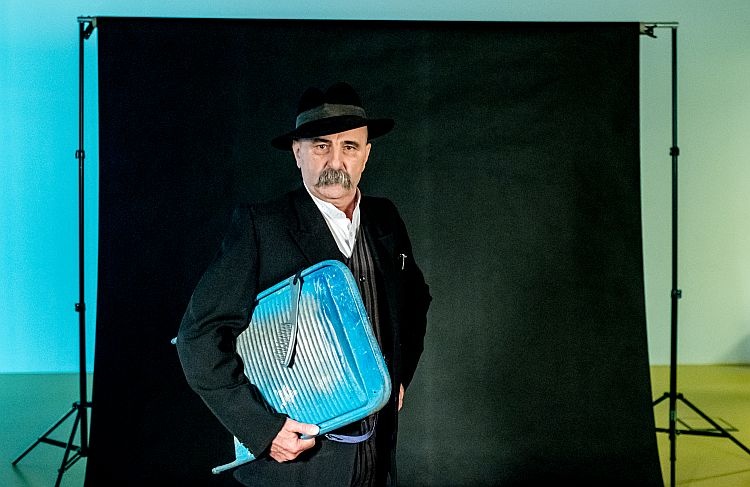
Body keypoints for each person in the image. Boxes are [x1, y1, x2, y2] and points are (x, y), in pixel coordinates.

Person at [176, 81, 432, 487]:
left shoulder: (385, 219)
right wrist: (264, 430)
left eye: (349, 146)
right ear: (297, 153)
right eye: (320, 146)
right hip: (299, 469)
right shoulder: (262, 226)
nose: (336, 160)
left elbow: (415, 300)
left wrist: (399, 375)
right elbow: (198, 337)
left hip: (376, 459)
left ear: (366, 154)